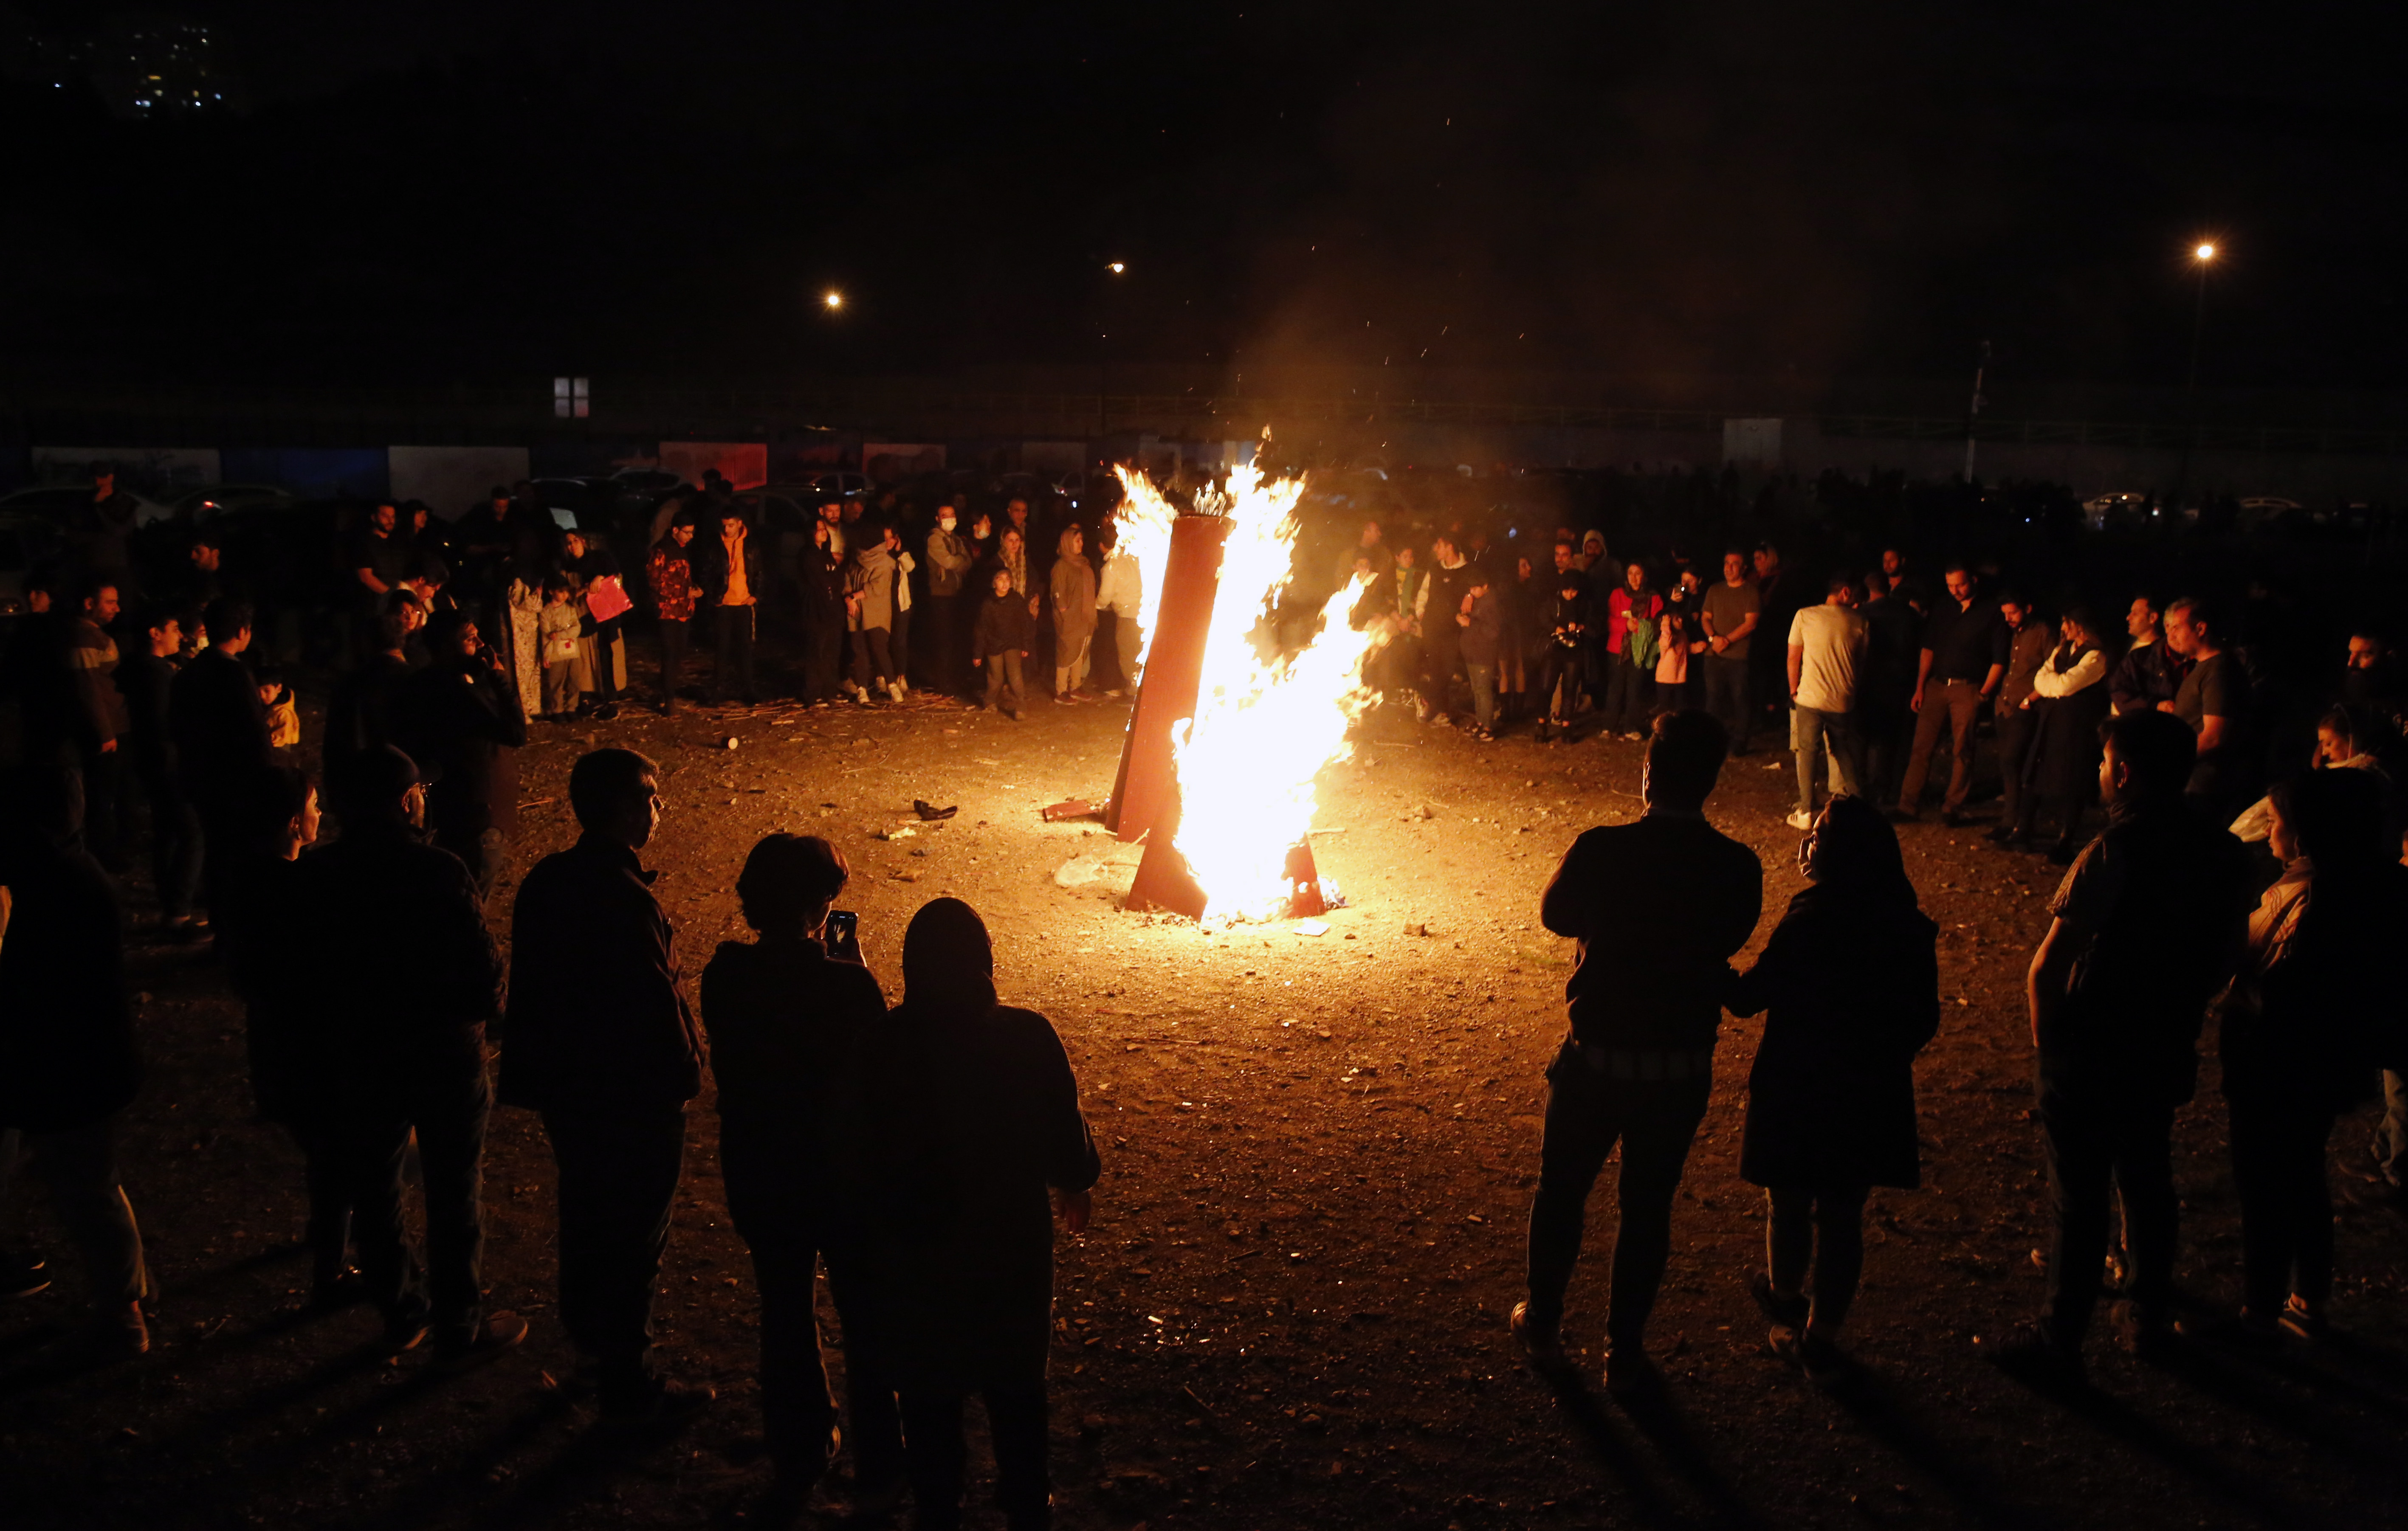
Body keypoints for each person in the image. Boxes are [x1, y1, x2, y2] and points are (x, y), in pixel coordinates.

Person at [1982, 709, 2252, 1383]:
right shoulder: (2220, 850)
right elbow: (2226, 951)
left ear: (2123, 771)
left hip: (2094, 1044)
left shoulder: (2114, 849)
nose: (2098, 772)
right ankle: (2146, 1315)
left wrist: (2050, 1051)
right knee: (2147, 1176)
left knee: (2078, 1195)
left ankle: (2060, 1337)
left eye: (2103, 762)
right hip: (2163, 1039)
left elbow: (2049, 964)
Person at [1518, 710, 1764, 1394]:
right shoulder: (1737, 866)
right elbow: (1728, 938)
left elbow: (1556, 915)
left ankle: (1542, 1326)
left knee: (1562, 1191)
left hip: (1596, 1058)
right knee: (1647, 1208)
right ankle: (1621, 1351)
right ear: (1711, 781)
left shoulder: (1601, 848)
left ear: (1648, 773)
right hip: (1678, 1066)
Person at [849, 898, 1100, 1531]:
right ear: (983, 961)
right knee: (1016, 1380)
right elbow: (1064, 1136)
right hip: (1008, 1242)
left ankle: (939, 1505)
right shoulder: (1026, 1034)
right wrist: (1074, 1182)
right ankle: (1025, 1498)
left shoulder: (883, 1043)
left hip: (915, 1242)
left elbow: (859, 1144)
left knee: (929, 1387)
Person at [500, 749, 712, 1423]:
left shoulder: (547, 882)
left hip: (570, 1093)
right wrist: (686, 1074)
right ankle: (630, 1380)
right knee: (633, 1238)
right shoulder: (625, 899)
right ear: (623, 809)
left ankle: (594, 1348)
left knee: (588, 1216)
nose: (660, 809)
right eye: (651, 799)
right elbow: (656, 1001)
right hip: (632, 1101)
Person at [295, 745, 523, 1365]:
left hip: (361, 1051)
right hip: (443, 1052)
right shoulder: (438, 870)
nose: (425, 796)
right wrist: (489, 1018)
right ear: (405, 801)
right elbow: (484, 968)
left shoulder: (317, 873)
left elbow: (305, 973)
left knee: (375, 1183)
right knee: (454, 1188)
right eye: (419, 789)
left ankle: (400, 1310)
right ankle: (460, 1321)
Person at [702, 835, 903, 1511]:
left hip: (762, 1166)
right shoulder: (847, 985)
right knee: (864, 1311)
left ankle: (799, 1442)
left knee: (783, 1307)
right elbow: (880, 1071)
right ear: (823, 906)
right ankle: (882, 1452)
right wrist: (848, 967)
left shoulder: (725, 973)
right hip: (840, 1174)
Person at [2185, 769, 2407, 1343]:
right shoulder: (2374, 883)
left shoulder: (2306, 898)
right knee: (2303, 1172)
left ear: (2305, 834)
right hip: (2327, 1064)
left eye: (2278, 823)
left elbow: (2250, 963)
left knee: (2263, 1184)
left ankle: (2260, 1309)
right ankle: (2307, 1297)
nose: (2269, 833)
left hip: (2274, 1062)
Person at [1726, 795, 1938, 1381]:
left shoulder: (1811, 917)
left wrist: (1705, 966)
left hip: (1798, 1084)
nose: (1807, 842)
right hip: (1869, 1091)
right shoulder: (1905, 923)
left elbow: (1749, 997)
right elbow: (1923, 1016)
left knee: (1788, 1197)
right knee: (1842, 1214)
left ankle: (1785, 1294)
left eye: (1818, 833)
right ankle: (1820, 1336)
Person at [0, 767, 148, 1367]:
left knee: (86, 1188)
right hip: (88, 1063)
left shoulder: (58, 887)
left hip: (76, 1068)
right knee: (92, 1182)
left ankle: (124, 1314)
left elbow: (46, 991)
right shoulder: (64, 872)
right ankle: (129, 1293)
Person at [222, 765, 361, 1310]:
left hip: (276, 1039)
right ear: (291, 823)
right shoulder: (297, 889)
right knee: (336, 1154)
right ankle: (331, 1271)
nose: (320, 814)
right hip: (313, 1044)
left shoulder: (244, 878)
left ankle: (325, 1234)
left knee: (323, 1148)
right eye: (313, 807)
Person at [395, 611, 528, 901]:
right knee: (469, 902)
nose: (481, 644)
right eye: (470, 639)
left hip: (450, 808)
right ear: (447, 647)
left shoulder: (424, 682)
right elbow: (517, 733)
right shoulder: (457, 691)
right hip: (476, 814)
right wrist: (499, 677)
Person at [170, 597, 274, 932]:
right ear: (243, 632)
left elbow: (176, 724)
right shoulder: (234, 672)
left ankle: (221, 925)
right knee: (236, 854)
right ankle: (234, 929)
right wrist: (267, 775)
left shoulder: (192, 670)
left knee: (216, 851)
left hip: (200, 776)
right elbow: (254, 730)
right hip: (233, 780)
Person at [114, 603, 203, 934]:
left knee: (168, 831)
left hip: (153, 760)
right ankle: (178, 913)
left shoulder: (145, 669)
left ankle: (171, 900)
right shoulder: (155, 674)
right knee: (192, 833)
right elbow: (166, 722)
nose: (180, 635)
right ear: (155, 634)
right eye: (174, 629)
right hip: (169, 762)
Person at [1895, 564, 2005, 826]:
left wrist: (1983, 693)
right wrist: (1921, 686)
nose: (1955, 591)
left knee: (1962, 748)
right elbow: (1928, 648)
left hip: (1967, 688)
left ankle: (1952, 807)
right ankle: (1908, 805)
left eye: (1961, 585)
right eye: (1950, 586)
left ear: (1973, 581)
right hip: (1936, 685)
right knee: (1921, 746)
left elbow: (1999, 659)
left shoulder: (1991, 612)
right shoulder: (1943, 607)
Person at [2014, 606, 2114, 862]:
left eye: (2068, 623)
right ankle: (2022, 830)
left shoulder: (2096, 657)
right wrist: (2054, 687)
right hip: (2053, 722)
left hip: (2076, 727)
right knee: (2036, 771)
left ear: (2081, 625)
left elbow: (2066, 685)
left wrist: (2054, 687)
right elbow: (2042, 678)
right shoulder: (2063, 650)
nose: (2063, 629)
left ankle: (2065, 839)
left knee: (2073, 781)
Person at [1785, 574, 1867, 831]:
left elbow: (1793, 657)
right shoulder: (1860, 621)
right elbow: (1861, 662)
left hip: (1810, 696)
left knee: (1807, 751)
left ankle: (1806, 809)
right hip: (1843, 699)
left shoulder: (1805, 615)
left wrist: (1794, 690)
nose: (1856, 604)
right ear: (1845, 592)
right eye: (1855, 598)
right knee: (1842, 750)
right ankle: (1857, 803)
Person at [61, 577, 132, 873]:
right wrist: (104, 732)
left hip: (113, 728)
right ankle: (102, 855)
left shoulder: (94, 635)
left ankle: (109, 849)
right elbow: (87, 687)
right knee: (102, 795)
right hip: (107, 733)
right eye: (110, 602)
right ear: (89, 604)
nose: (117, 608)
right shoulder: (83, 638)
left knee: (111, 792)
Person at [2165, 597, 2256, 824]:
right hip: (2194, 782)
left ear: (2201, 628)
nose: (2171, 635)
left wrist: (2168, 762)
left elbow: (2214, 736)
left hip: (2205, 786)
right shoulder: (2204, 668)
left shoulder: (2218, 670)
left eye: (2177, 627)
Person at [1988, 595, 2055, 847]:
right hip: (2004, 705)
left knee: (2014, 761)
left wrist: (2031, 699)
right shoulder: (2013, 632)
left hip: (2024, 707)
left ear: (2028, 608)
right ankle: (2009, 821)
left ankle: (2020, 823)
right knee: (2007, 764)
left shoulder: (2042, 632)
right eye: (2005, 613)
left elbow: (2053, 666)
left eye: (2013, 613)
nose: (2009, 619)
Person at [1856, 571, 1920, 810]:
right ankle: (1889, 787)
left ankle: (1869, 788)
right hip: (1902, 682)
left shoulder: (1862, 615)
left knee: (1871, 737)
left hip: (1871, 682)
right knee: (1895, 738)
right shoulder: (1909, 614)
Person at [697, 504, 762, 708]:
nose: (727, 530)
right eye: (725, 526)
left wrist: (756, 596)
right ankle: (718, 690)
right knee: (722, 649)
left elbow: (759, 572)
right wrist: (715, 596)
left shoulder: (750, 545)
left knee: (745, 649)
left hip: (743, 603)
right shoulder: (716, 545)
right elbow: (706, 573)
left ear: (740, 524)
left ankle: (748, 690)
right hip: (724, 604)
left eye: (731, 526)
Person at [1700, 550, 1761, 755]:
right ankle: (1711, 740)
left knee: (1740, 699)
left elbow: (1750, 624)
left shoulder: (1750, 592)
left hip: (1737, 657)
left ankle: (1739, 742)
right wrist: (1713, 638)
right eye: (1727, 563)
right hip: (1713, 655)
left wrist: (1727, 640)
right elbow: (1706, 618)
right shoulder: (1715, 590)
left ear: (1744, 568)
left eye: (1735, 564)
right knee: (1713, 699)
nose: (1729, 567)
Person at [1602, 561, 1662, 740]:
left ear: (1644, 576)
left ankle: (1631, 727)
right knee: (1615, 688)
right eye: (1631, 573)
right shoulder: (1618, 594)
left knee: (1635, 690)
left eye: (1638, 573)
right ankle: (1609, 726)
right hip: (1617, 648)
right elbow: (1610, 621)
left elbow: (1657, 623)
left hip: (1640, 650)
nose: (1634, 578)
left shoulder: (1653, 597)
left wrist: (1640, 628)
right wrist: (1625, 625)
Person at [647, 515, 701, 714]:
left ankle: (669, 693)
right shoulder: (661, 551)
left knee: (678, 654)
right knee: (670, 654)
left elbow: (682, 578)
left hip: (684, 611)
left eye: (692, 532)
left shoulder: (682, 550)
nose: (691, 536)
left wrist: (693, 589)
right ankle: (669, 698)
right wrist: (683, 592)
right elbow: (656, 582)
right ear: (675, 530)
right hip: (668, 612)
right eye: (687, 532)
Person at [848, 524, 904, 704]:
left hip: (876, 613)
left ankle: (892, 686)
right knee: (860, 652)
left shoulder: (885, 563)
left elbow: (876, 587)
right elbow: (847, 578)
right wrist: (849, 600)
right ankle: (862, 690)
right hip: (856, 612)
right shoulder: (856, 560)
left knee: (879, 649)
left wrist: (853, 597)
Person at [1535, 560, 1590, 744]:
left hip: (1574, 651)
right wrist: (1556, 628)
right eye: (1567, 590)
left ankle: (1567, 727)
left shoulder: (1583, 602)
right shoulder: (1553, 601)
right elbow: (1542, 617)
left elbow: (1593, 623)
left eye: (1574, 591)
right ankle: (1542, 725)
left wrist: (1581, 627)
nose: (1570, 594)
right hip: (1554, 650)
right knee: (1546, 687)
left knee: (1570, 689)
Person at [925, 504, 977, 698]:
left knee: (955, 639)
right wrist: (960, 562)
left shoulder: (955, 538)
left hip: (956, 593)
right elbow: (949, 562)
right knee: (944, 641)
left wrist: (960, 562)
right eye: (945, 516)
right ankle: (943, 682)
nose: (949, 519)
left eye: (952, 515)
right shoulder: (934, 539)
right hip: (941, 595)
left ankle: (954, 679)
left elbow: (968, 561)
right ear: (938, 519)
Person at [1421, 537, 1474, 725]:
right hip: (1432, 627)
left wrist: (1469, 595)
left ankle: (1431, 704)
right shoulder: (1435, 569)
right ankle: (1441, 710)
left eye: (1440, 546)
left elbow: (1477, 587)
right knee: (1436, 670)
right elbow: (1424, 592)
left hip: (1452, 630)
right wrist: (1421, 614)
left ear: (1450, 547)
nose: (1436, 549)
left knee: (1448, 670)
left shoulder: (1466, 569)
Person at [974, 566, 1033, 719]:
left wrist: (1026, 644)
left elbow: (1025, 623)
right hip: (994, 645)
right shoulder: (988, 604)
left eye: (1007, 579)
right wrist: (978, 653)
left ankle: (1020, 707)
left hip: (1013, 643)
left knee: (1015, 677)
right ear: (994, 583)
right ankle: (990, 701)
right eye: (1000, 579)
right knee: (996, 677)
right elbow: (981, 629)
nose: (1005, 583)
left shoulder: (1017, 600)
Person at [2107, 594, 2180, 716]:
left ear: (2153, 618)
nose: (2128, 618)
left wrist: (2154, 705)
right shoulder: (2125, 649)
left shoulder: (2163, 655)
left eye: (2135, 614)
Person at [1048, 524, 1097, 703]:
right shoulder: (1062, 565)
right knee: (1066, 652)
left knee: (1080, 651)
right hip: (1069, 617)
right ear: (1068, 542)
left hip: (1084, 616)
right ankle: (1061, 691)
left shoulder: (1083, 564)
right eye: (1077, 541)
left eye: (1082, 540)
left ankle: (1075, 687)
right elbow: (1058, 591)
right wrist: (1064, 612)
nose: (1081, 544)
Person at [1093, 521, 1143, 697]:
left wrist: (1095, 605)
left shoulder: (1110, 568)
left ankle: (1135, 692)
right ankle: (1139, 690)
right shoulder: (1132, 559)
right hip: (1143, 613)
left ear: (1101, 546)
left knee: (1128, 655)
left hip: (1127, 616)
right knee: (1139, 653)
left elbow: (1105, 596)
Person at [1457, 567, 1502, 741]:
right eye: (1470, 589)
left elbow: (1493, 632)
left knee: (1483, 691)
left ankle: (1488, 727)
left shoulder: (1492, 604)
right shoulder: (1477, 601)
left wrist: (1470, 624)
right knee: (1477, 690)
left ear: (1485, 586)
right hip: (1472, 654)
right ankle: (1481, 722)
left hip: (1484, 655)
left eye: (1475, 589)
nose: (1472, 592)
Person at [539, 575, 582, 718]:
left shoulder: (570, 609)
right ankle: (557, 710)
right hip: (556, 653)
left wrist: (560, 635)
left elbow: (577, 629)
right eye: (561, 592)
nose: (565, 595)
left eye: (567, 592)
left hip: (572, 651)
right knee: (556, 683)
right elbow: (546, 635)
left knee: (574, 680)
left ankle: (572, 708)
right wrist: (547, 655)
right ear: (552, 592)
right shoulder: (546, 612)